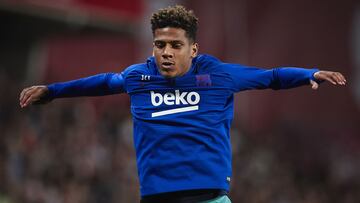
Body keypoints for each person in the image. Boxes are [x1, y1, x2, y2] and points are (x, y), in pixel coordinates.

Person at [19, 5, 346, 203]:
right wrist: (53, 91)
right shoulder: (138, 77)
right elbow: (104, 83)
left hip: (209, 197)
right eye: (160, 44)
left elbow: (271, 76)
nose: (166, 52)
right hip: (157, 197)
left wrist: (308, 74)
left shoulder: (218, 75)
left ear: (193, 49)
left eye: (176, 45)